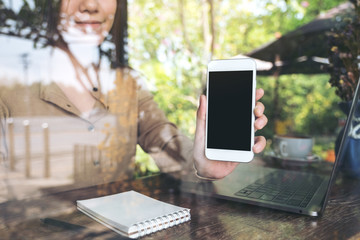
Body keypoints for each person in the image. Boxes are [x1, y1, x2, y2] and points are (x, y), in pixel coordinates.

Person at [0, 0, 267, 186]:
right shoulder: (8, 86)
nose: (91, 4)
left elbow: (161, 138)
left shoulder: (127, 84)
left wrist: (201, 163)